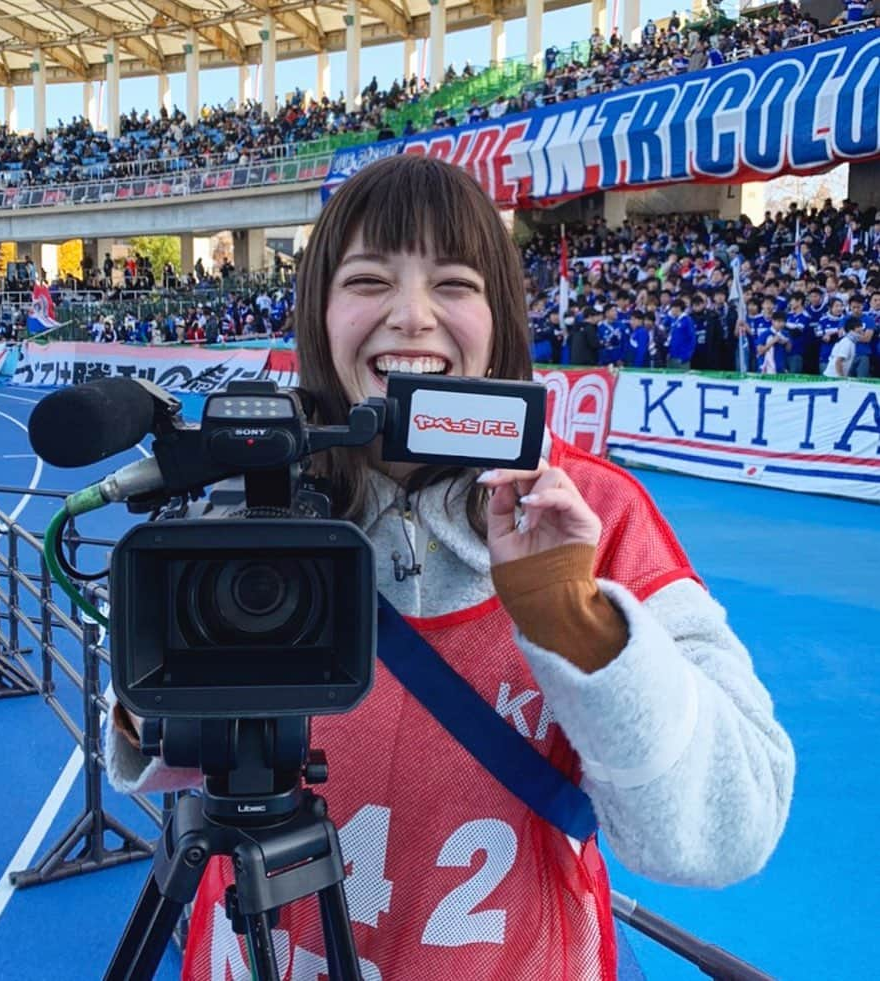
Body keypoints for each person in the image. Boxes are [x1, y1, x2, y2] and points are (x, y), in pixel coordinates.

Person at [105, 156, 794, 981]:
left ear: (499, 316)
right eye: (367, 280)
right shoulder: (242, 492)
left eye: (454, 284)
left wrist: (579, 627)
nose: (410, 316)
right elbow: (165, 751)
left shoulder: (593, 512)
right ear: (318, 314)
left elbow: (732, 826)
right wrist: (154, 694)